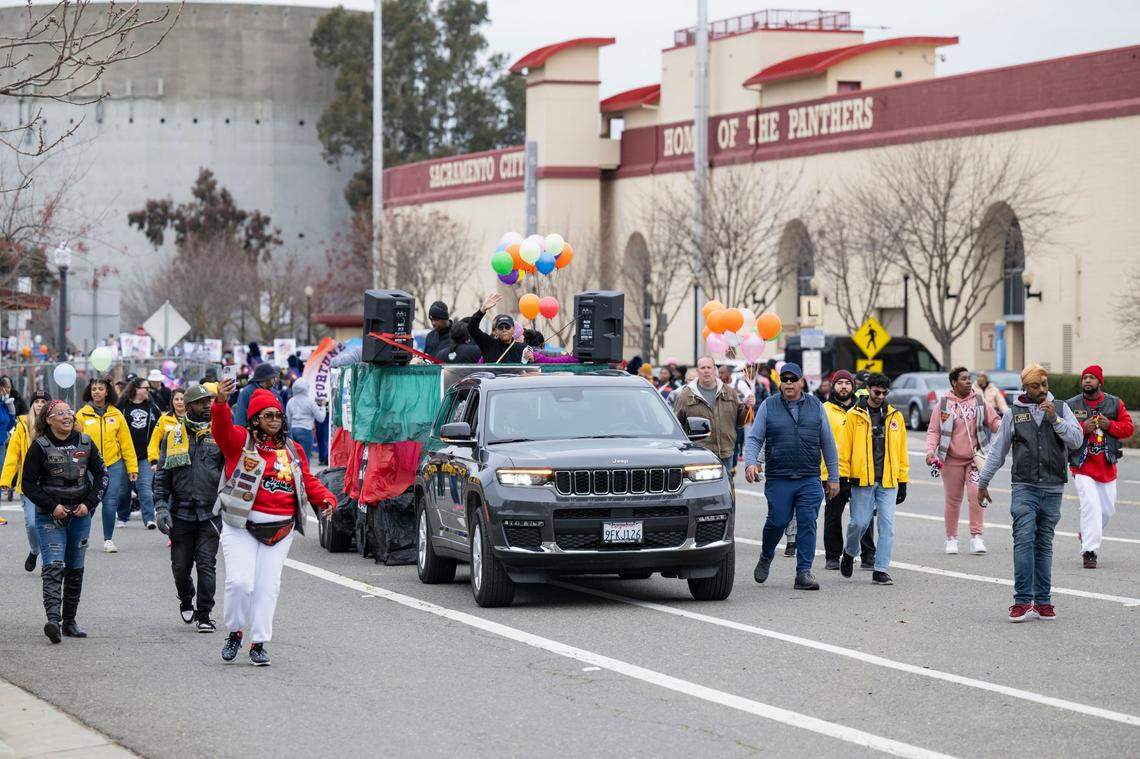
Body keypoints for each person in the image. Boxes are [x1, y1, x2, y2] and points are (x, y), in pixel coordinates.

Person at [212, 378, 336, 665]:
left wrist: (327, 499)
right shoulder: (239, 441)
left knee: (268, 587)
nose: (275, 420)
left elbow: (307, 481)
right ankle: (235, 632)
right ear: (255, 419)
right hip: (240, 525)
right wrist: (220, 403)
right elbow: (219, 430)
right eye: (268, 415)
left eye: (278, 415)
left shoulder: (293, 449)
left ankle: (258, 643)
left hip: (280, 528)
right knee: (240, 583)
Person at [978, 364, 1083, 622]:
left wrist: (1055, 420)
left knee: (1044, 543)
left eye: (1044, 385)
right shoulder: (1014, 413)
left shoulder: (1060, 409)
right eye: (1036, 386)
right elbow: (998, 451)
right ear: (1025, 387)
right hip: (1024, 486)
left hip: (1053, 486)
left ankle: (1043, 601)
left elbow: (1077, 439)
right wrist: (983, 482)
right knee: (1024, 539)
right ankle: (1023, 600)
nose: (1042, 390)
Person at [744, 362, 839, 591]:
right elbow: (756, 437)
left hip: (809, 477)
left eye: (793, 379)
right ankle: (766, 556)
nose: (789, 383)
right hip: (779, 477)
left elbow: (828, 442)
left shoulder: (816, 406)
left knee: (807, 522)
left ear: (801, 382)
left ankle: (803, 572)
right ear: (780, 382)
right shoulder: (769, 405)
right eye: (784, 379)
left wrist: (834, 477)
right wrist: (750, 463)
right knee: (778, 521)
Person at [21, 399, 108, 643]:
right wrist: (53, 506)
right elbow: (27, 484)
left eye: (68, 412)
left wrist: (89, 504)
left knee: (75, 568)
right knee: (53, 564)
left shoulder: (86, 442)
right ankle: (53, 622)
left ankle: (70, 621)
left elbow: (102, 475)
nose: (66, 416)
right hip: (50, 515)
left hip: (80, 514)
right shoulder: (39, 446)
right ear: (48, 420)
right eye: (59, 414)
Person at [154, 384, 225, 631]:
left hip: (210, 514)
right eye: (201, 402)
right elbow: (162, 476)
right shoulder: (171, 436)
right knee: (180, 568)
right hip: (180, 515)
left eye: (210, 401)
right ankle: (186, 597)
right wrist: (161, 507)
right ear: (190, 406)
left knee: (207, 564)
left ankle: (205, 614)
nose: (207, 406)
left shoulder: (219, 434)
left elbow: (232, 473)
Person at [837, 372, 908, 585]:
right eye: (877, 392)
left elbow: (902, 451)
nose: (881, 396)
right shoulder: (854, 415)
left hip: (888, 480)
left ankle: (880, 569)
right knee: (859, 523)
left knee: (888, 526)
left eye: (885, 393)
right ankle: (849, 552)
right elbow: (844, 450)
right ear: (868, 389)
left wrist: (903, 481)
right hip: (862, 479)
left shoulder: (895, 416)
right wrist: (844, 478)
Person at [926, 367, 1002, 555]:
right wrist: (930, 451)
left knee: (977, 495)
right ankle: (951, 538)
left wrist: (1005, 428)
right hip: (950, 460)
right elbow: (934, 430)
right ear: (954, 382)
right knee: (953, 500)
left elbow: (994, 422)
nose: (969, 382)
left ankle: (977, 537)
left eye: (970, 379)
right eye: (964, 379)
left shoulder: (978, 400)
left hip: (975, 459)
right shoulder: (943, 404)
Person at [1065, 365, 1133, 569]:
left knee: (1107, 510)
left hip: (1107, 465)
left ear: (1099, 382)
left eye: (1092, 377)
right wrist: (1082, 429)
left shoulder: (1114, 404)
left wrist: (1109, 425)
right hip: (1082, 465)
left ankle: (1087, 533)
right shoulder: (1071, 405)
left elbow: (1128, 428)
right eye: (1084, 377)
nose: (1087, 380)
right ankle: (1090, 551)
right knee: (1091, 506)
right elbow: (1064, 432)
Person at [820, 371, 875, 570]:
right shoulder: (824, 410)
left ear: (853, 386)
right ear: (833, 386)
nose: (843, 387)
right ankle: (833, 556)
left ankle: (868, 554)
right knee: (833, 515)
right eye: (839, 383)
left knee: (864, 514)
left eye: (847, 383)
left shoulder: (863, 410)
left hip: (860, 471)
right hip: (832, 472)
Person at [75, 379, 138, 553]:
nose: (96, 392)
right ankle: (82, 537)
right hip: (88, 466)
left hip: (113, 464)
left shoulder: (117, 415)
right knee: (89, 502)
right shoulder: (82, 415)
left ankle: (108, 540)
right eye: (94, 388)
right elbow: (75, 441)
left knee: (110, 502)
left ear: (107, 392)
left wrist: (132, 468)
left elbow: (126, 444)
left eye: (100, 389)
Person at [2, 390, 51, 571]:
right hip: (28, 484)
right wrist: (6, 480)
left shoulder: (53, 425)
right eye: (36, 401)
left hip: (50, 484)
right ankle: (34, 550)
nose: (39, 404)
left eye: (43, 401)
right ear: (32, 405)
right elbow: (13, 454)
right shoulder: (22, 426)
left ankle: (48, 562)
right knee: (31, 523)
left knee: (47, 524)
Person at [674, 357, 748, 476]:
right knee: (703, 490)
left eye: (709, 367)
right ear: (698, 371)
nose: (706, 371)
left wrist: (748, 408)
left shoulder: (730, 392)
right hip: (699, 455)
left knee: (726, 490)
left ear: (714, 370)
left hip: (725, 453)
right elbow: (676, 425)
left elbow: (741, 421)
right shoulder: (685, 395)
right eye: (703, 368)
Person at [116, 376, 161, 529]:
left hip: (145, 456)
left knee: (145, 489)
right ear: (136, 389)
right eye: (145, 388)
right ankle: (122, 516)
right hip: (125, 456)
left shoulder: (151, 406)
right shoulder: (122, 405)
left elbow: (159, 427)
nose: (148, 391)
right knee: (124, 490)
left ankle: (149, 518)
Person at [468, 292, 525, 364]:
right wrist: (482, 310)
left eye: (507, 327)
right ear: (496, 331)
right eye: (501, 327)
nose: (504, 329)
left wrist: (530, 359)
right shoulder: (488, 344)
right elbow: (471, 328)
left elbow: (531, 369)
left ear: (513, 329)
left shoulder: (522, 348)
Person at [721, 364, 755, 467]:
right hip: (722, 420)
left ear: (729, 373)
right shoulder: (717, 385)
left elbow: (749, 396)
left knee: (735, 443)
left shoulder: (739, 384)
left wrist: (747, 402)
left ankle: (733, 466)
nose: (720, 375)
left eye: (722, 373)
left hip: (736, 419)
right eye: (719, 373)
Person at [285, 377, 326, 460]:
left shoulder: (290, 401)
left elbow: (288, 420)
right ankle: (304, 473)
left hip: (293, 430)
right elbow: (321, 418)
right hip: (306, 430)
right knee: (305, 458)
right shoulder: (310, 401)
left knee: (294, 458)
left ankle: (296, 473)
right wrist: (323, 407)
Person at [148, 388, 187, 466]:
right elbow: (154, 441)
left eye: (182, 399)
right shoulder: (164, 418)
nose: (179, 402)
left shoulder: (192, 417)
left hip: (188, 462)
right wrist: (154, 461)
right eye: (176, 399)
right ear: (172, 401)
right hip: (167, 462)